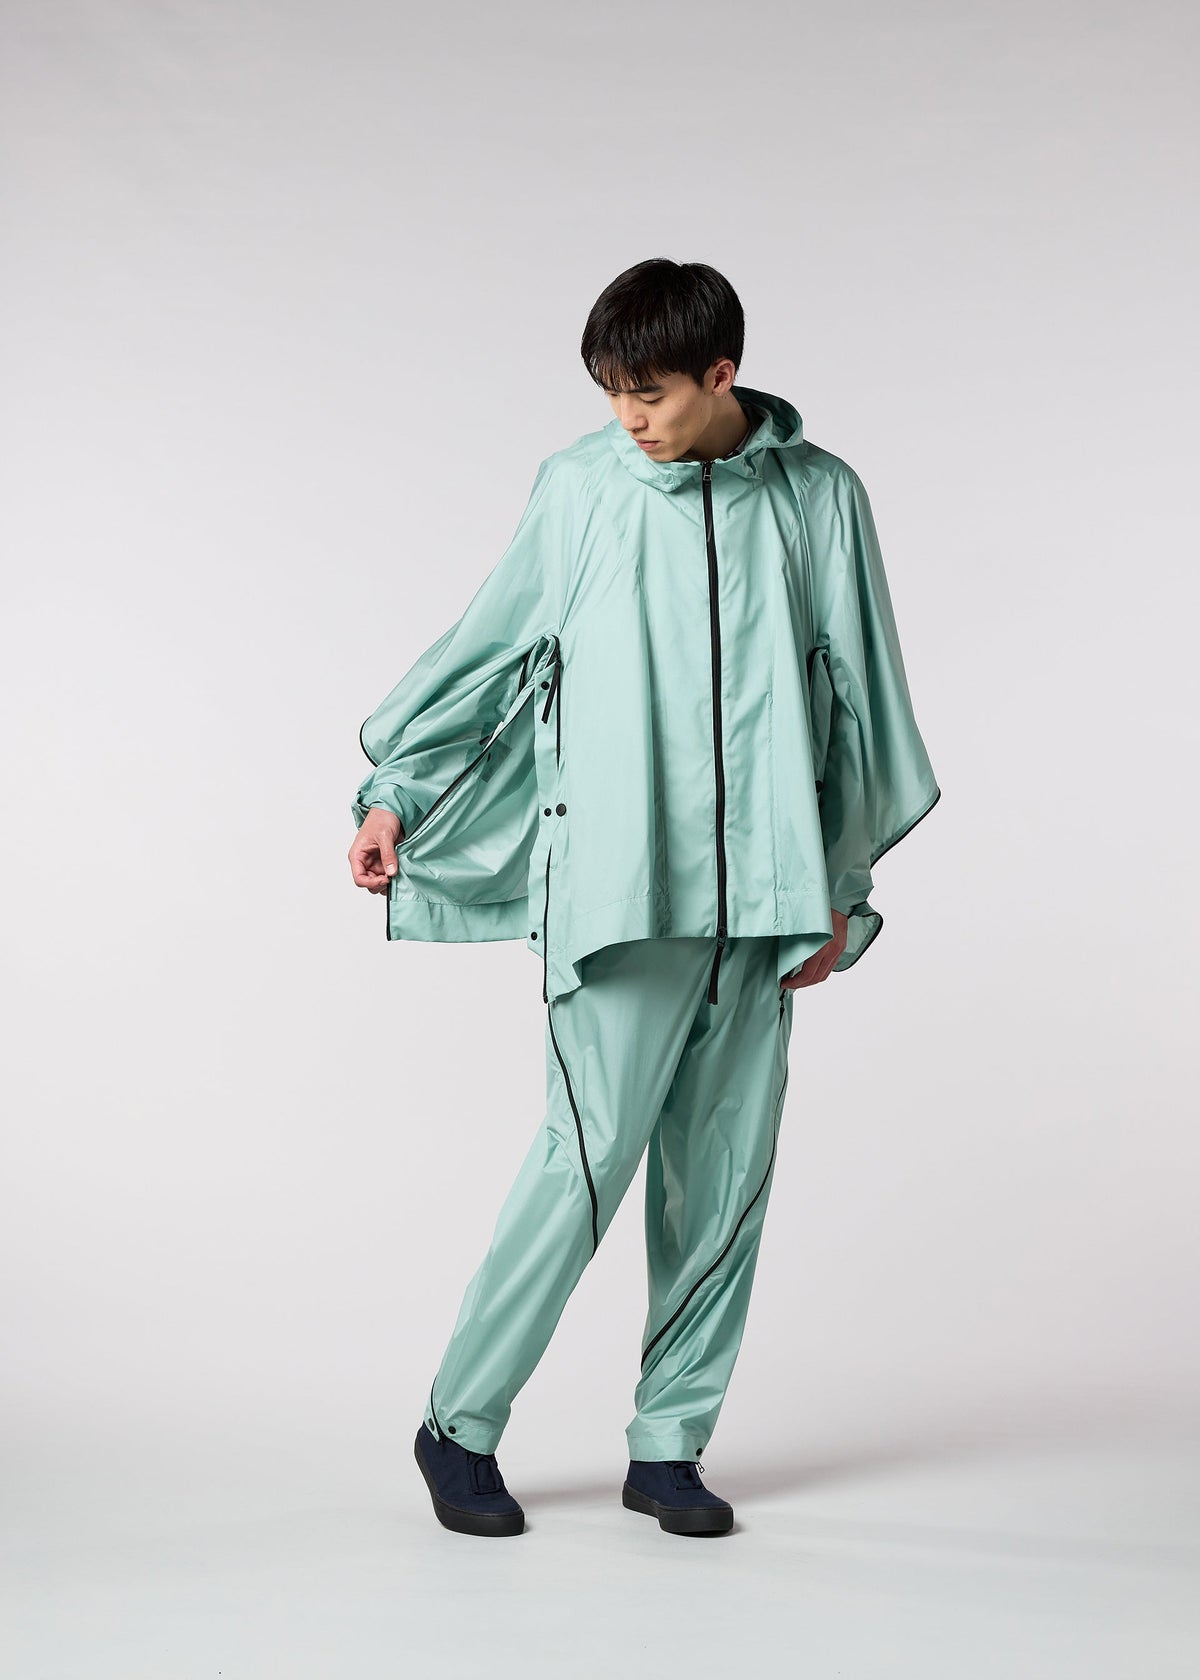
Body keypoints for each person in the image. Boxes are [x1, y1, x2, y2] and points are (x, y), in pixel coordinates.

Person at [347, 258, 941, 1539]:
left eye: (652, 393)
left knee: (722, 1182)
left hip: (765, 903)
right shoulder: (582, 488)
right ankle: (459, 1423)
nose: (629, 417)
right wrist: (394, 793)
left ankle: (669, 1446)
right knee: (584, 1160)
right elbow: (491, 650)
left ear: (722, 375)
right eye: (612, 391)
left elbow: (862, 693)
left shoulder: (821, 497)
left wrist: (840, 890)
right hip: (618, 892)